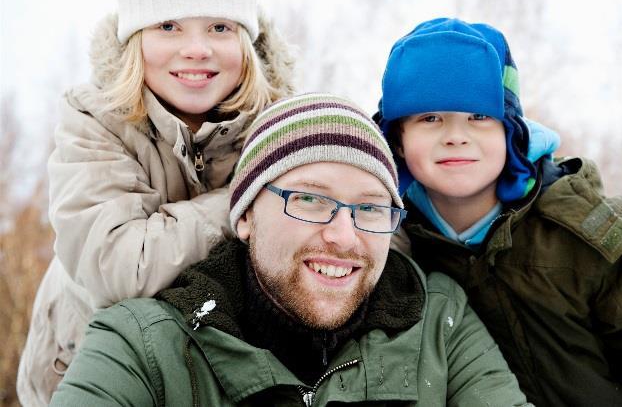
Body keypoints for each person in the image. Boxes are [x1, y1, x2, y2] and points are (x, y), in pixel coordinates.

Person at [49, 93, 530, 406]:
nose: (344, 236)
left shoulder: (438, 321)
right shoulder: (143, 347)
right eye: (310, 200)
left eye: (369, 209)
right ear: (245, 217)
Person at [17, 0, 296, 404]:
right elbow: (118, 266)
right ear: (135, 38)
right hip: (84, 368)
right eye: (168, 25)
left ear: (246, 42)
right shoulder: (95, 119)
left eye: (220, 26)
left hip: (219, 377)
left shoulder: (283, 127)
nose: (196, 49)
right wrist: (244, 202)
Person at [375, 17, 622, 405]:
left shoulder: (590, 231)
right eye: (430, 118)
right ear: (397, 139)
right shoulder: (388, 249)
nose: (456, 135)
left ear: (510, 129)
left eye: (479, 116)